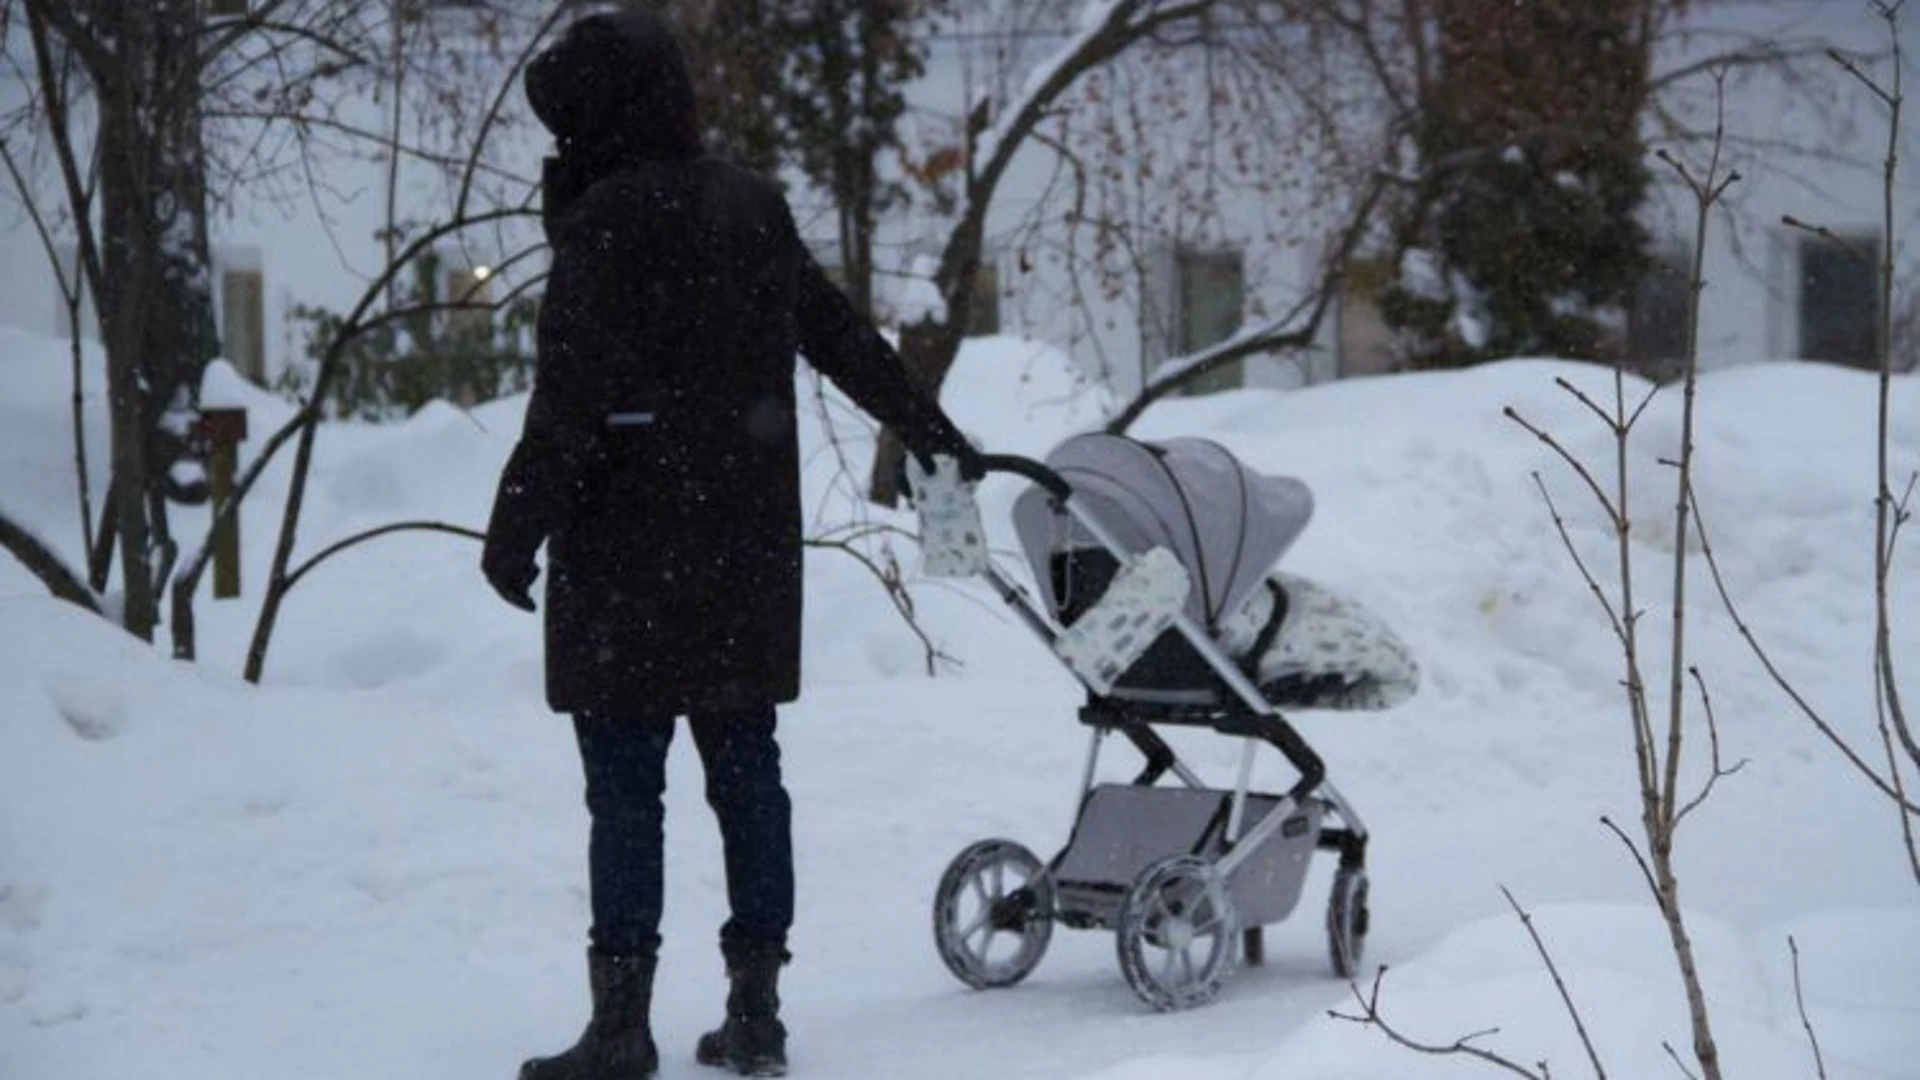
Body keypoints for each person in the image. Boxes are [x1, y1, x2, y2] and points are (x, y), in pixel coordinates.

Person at [481, 11, 979, 1080]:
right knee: (748, 776)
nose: (560, 147)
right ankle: (757, 1015)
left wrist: (516, 527)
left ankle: (620, 1030)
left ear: (599, 117)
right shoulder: (749, 206)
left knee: (626, 791)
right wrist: (930, 428)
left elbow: (567, 398)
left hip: (624, 554)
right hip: (741, 548)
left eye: (567, 125)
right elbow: (838, 333)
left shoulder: (604, 223)